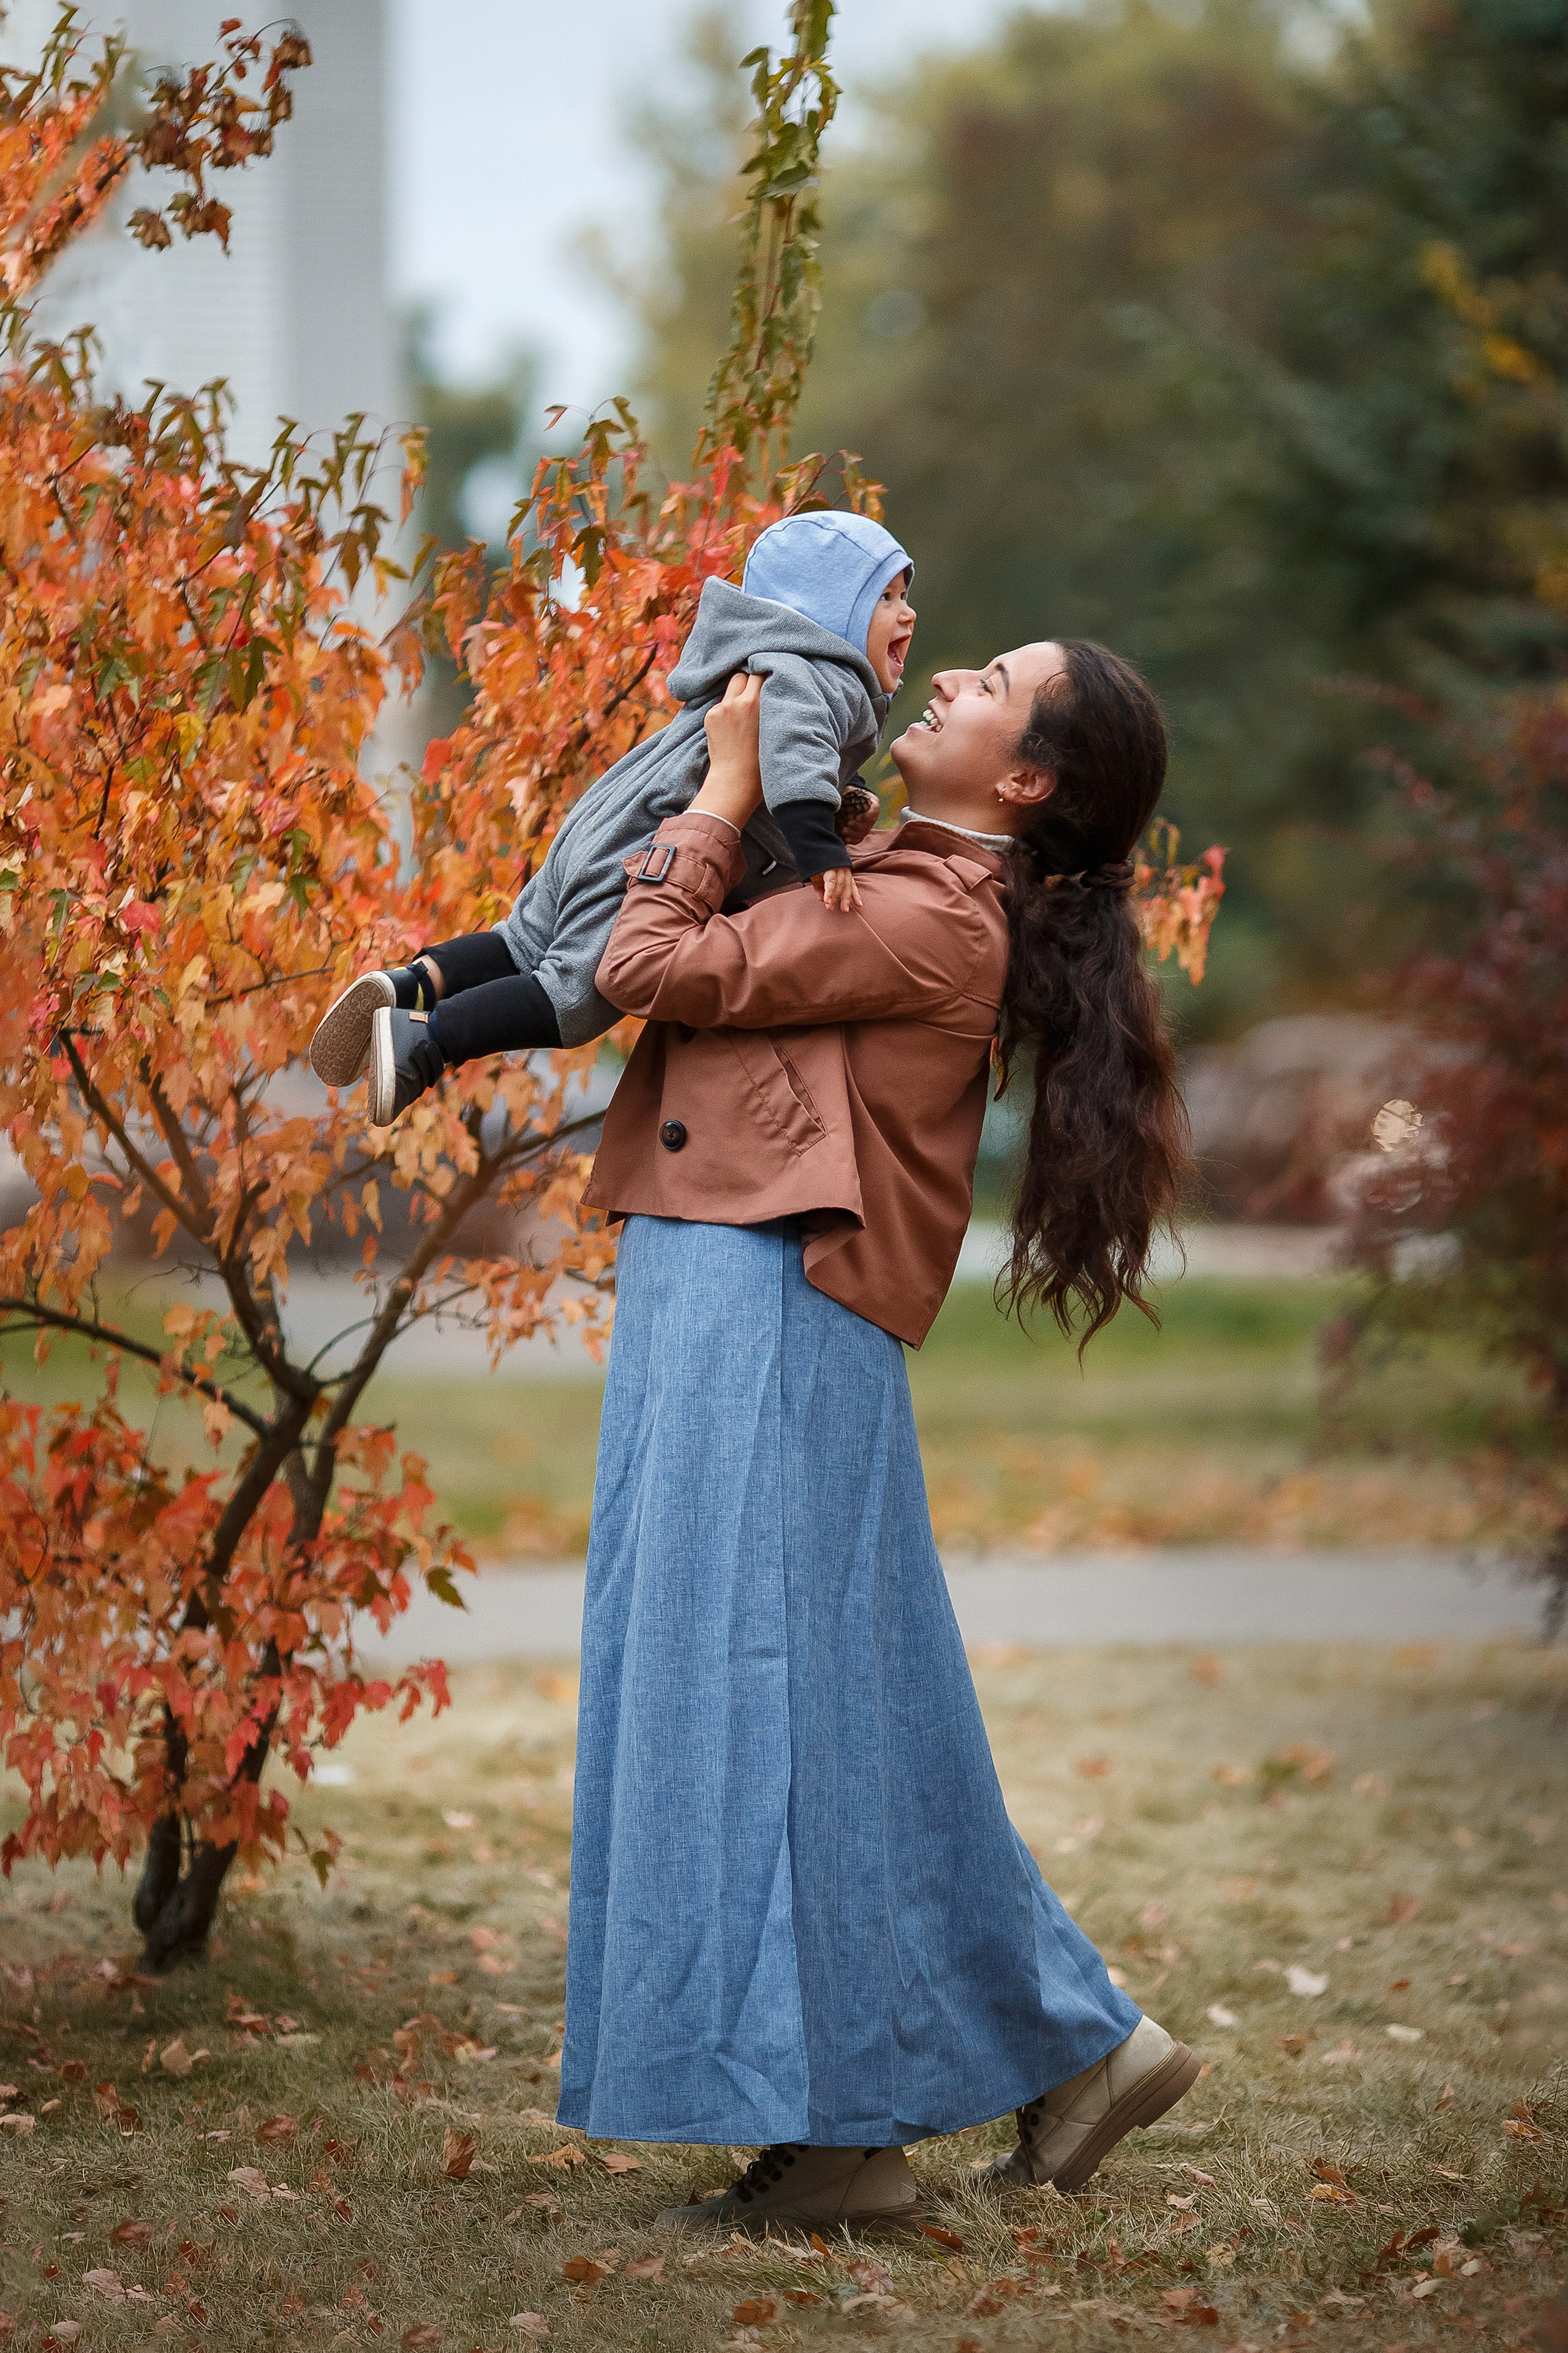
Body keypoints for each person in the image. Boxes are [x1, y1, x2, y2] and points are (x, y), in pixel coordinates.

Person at [560, 639, 1201, 2238]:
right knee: (828, 1703)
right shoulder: (889, 866)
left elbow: (647, 964)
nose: (955, 676)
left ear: (1028, 780)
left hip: (773, 1304)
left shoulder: (927, 913)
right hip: (738, 1283)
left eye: (992, 680)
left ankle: (877, 2116)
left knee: (773, 1705)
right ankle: (1058, 2050)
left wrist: (715, 797)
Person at [306, 511, 916, 1126]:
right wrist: (821, 851)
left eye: (904, 595)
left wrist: (844, 798)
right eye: (883, 598)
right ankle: (428, 1040)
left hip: (609, 810)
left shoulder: (769, 663)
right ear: (824, 609)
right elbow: (796, 754)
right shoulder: (816, 674)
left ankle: (414, 982)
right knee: (573, 994)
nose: (906, 613)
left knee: (522, 942)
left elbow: (796, 754)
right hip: (650, 838)